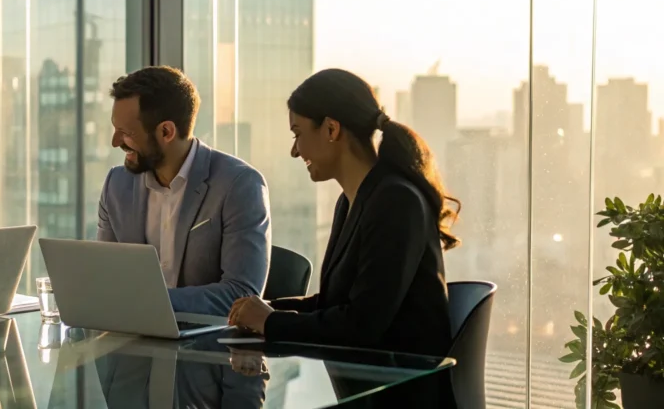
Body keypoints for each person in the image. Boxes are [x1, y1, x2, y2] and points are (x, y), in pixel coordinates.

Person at [228, 68, 458, 358]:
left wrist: (270, 320)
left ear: (331, 129)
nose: (295, 151)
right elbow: (333, 305)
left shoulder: (396, 202)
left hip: (399, 391)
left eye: (297, 133)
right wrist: (265, 309)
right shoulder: (350, 202)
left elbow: (362, 324)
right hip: (365, 381)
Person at [97, 66, 271, 317]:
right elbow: (107, 279)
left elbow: (241, 295)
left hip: (209, 350)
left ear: (166, 132)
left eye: (126, 133)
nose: (115, 141)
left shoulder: (240, 185)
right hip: (130, 344)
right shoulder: (116, 184)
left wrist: (150, 301)